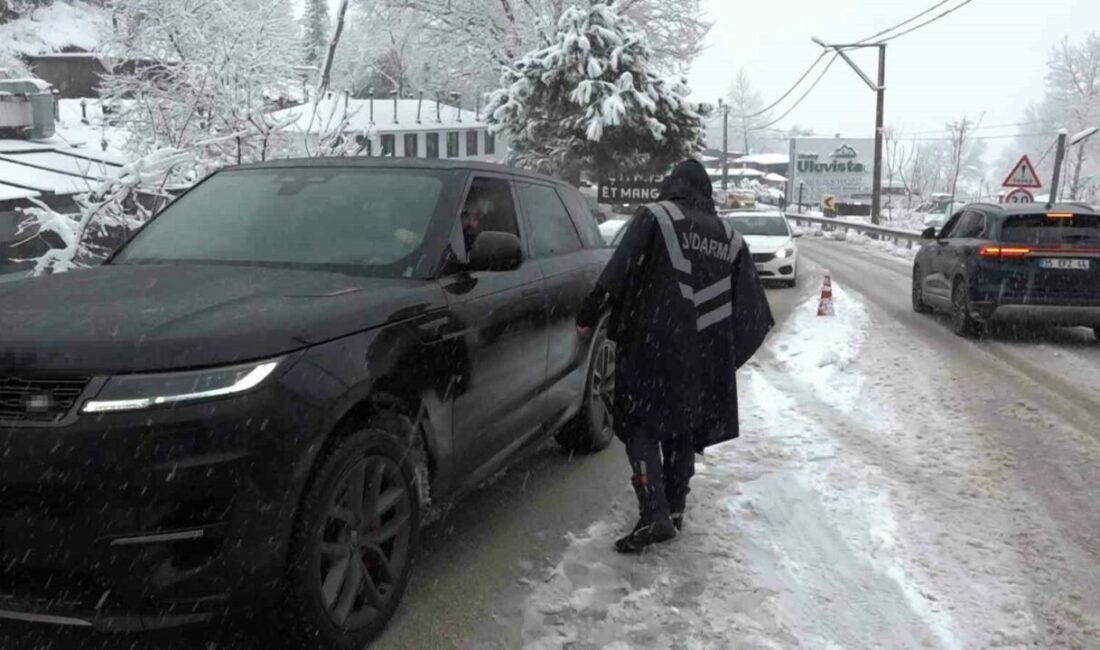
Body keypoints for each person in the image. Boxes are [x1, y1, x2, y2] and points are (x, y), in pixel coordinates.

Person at [576, 159, 775, 554]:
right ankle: (676, 508)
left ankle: (654, 513)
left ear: (673, 184)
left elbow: (620, 268)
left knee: (640, 424)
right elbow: (755, 315)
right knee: (683, 425)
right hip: (703, 355)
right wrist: (723, 357)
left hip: (655, 342)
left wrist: (589, 313)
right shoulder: (731, 237)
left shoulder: (656, 216)